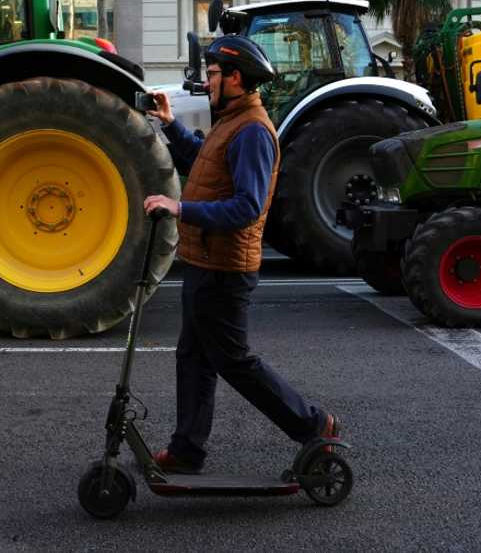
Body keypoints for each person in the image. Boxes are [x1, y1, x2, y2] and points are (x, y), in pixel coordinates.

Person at [142, 35, 341, 474]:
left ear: (236, 77)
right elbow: (207, 164)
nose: (207, 81)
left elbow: (247, 207)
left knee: (234, 361)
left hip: (224, 267)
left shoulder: (252, 130)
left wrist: (179, 207)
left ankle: (314, 425)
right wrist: (171, 125)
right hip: (205, 261)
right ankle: (186, 449)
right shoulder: (230, 121)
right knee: (193, 357)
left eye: (213, 74)